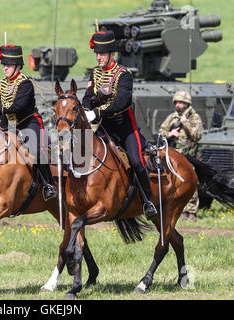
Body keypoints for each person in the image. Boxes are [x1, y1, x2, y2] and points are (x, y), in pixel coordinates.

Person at [82, 30, 157, 220]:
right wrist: (85, 109)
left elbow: (121, 102)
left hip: (125, 128)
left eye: (102, 54)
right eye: (97, 54)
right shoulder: (95, 73)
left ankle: (148, 202)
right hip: (104, 128)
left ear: (111, 55)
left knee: (137, 162)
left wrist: (96, 112)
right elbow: (88, 97)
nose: (98, 57)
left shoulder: (123, 75)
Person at [0, 44, 57, 201]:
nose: (5, 68)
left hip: (29, 123)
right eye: (4, 65)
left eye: (8, 65)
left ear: (18, 66)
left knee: (37, 151)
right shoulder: (2, 84)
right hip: (12, 126)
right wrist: (3, 128)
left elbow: (18, 106)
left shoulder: (25, 83)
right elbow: (1, 108)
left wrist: (3, 108)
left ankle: (49, 185)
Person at [159, 90, 203, 221]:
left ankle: (191, 211)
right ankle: (181, 209)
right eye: (176, 102)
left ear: (187, 103)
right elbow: (161, 131)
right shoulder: (172, 117)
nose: (178, 105)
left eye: (181, 102)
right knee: (174, 182)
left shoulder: (194, 117)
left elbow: (197, 135)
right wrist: (170, 133)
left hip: (189, 155)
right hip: (174, 155)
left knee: (190, 182)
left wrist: (186, 124)